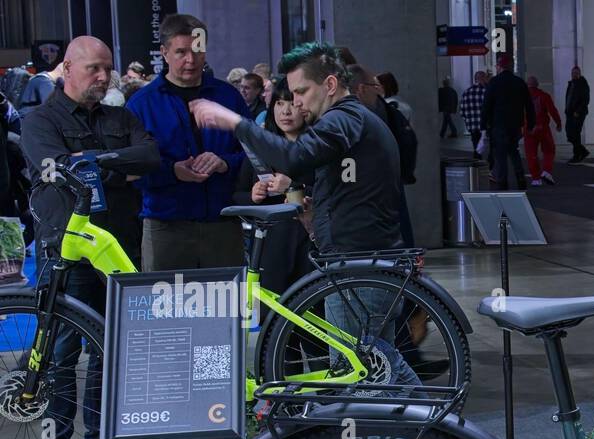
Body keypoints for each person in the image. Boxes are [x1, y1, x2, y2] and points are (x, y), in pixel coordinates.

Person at [190, 41, 416, 383]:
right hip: (360, 263)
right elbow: (350, 185)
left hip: (358, 267)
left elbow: (294, 157)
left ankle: (431, 428)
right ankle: (425, 428)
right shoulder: (352, 121)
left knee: (368, 374)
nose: (295, 101)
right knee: (374, 372)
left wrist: (236, 123)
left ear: (329, 85)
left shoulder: (343, 118)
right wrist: (319, 212)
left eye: (301, 91)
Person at [20, 35, 160, 439]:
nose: (102, 77)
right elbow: (54, 168)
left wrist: (94, 160)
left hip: (117, 244)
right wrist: (116, 165)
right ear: (67, 68)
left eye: (107, 68)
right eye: (93, 68)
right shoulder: (40, 119)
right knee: (62, 350)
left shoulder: (121, 115)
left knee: (111, 349)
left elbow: (151, 156)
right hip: (65, 245)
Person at [126, 12, 247, 270]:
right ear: (164, 53)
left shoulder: (229, 97)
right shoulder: (141, 104)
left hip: (223, 224)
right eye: (181, 52)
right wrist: (173, 172)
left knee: (228, 308)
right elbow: (130, 171)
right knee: (166, 309)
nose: (191, 60)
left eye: (198, 51)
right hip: (165, 227)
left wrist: (224, 162)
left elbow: (255, 156)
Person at [230, 76, 311, 295]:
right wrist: (254, 196)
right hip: (272, 242)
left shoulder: (317, 144)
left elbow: (332, 189)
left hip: (310, 240)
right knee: (271, 312)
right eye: (279, 103)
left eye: (292, 103)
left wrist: (294, 185)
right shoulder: (262, 146)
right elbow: (237, 195)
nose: (285, 111)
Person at [347, 63, 418, 244]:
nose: (378, 91)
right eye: (374, 86)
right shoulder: (381, 112)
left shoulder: (368, 115)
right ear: (362, 89)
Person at [482, 53, 534, 190]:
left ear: (499, 66)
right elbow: (529, 105)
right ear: (511, 66)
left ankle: (503, 183)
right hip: (515, 125)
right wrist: (531, 124)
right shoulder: (519, 82)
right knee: (514, 151)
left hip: (499, 125)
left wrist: (483, 124)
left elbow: (486, 105)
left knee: (501, 155)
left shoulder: (494, 82)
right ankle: (521, 179)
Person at [524, 75, 561, 186]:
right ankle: (546, 171)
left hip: (529, 129)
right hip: (543, 127)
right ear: (537, 84)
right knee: (549, 150)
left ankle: (536, 178)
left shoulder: (522, 97)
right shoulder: (544, 95)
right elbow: (552, 110)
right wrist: (558, 123)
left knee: (531, 154)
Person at [564, 65, 590, 164]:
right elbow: (569, 98)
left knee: (575, 133)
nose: (574, 75)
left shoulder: (583, 84)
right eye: (573, 73)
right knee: (570, 134)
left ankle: (577, 155)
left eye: (576, 73)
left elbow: (585, 100)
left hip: (578, 113)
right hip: (570, 113)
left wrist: (578, 111)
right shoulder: (571, 84)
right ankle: (582, 151)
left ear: (579, 73)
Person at [460, 70, 487, 157]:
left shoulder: (466, 92)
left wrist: (468, 121)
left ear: (475, 79)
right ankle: (490, 166)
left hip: (472, 125)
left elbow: (462, 111)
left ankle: (477, 166)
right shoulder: (487, 91)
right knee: (490, 148)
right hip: (486, 126)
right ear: (483, 78)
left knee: (476, 147)